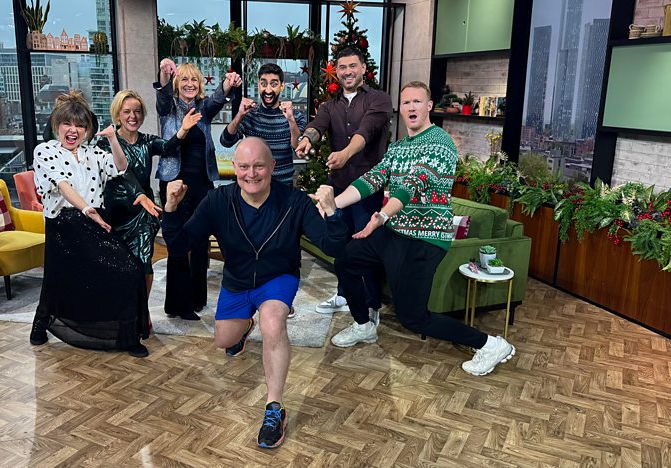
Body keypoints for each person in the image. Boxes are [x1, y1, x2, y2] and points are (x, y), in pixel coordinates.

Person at [161, 137, 349, 448]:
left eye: (259, 166)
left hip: (278, 276)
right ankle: (245, 326)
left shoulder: (295, 202)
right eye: (244, 167)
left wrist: (333, 213)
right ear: (234, 167)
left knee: (272, 322)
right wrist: (170, 209)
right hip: (237, 280)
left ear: (272, 167)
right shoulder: (217, 201)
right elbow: (180, 246)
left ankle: (274, 408)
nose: (251, 174)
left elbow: (333, 248)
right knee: (224, 340)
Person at [328, 81, 516, 376]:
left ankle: (490, 344)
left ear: (428, 106)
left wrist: (382, 216)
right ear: (400, 109)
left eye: (417, 101)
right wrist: (333, 203)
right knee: (346, 260)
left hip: (425, 239)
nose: (411, 107)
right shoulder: (398, 147)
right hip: (395, 232)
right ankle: (363, 325)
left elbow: (414, 184)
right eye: (406, 102)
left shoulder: (440, 143)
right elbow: (373, 179)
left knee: (413, 318)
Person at [30, 90, 150, 358]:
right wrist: (85, 209)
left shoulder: (93, 152)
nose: (73, 130)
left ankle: (127, 335)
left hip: (97, 221)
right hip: (64, 224)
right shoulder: (45, 150)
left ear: (87, 130)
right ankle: (41, 324)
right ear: (57, 125)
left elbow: (120, 167)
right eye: (67, 124)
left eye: (80, 125)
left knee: (130, 271)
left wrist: (113, 139)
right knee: (59, 279)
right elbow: (62, 185)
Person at [295, 47, 392, 322]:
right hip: (337, 187)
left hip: (366, 190)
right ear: (336, 71)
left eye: (352, 66)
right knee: (339, 243)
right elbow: (317, 125)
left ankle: (371, 306)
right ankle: (343, 294)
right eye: (342, 67)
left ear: (363, 68)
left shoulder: (379, 99)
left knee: (364, 245)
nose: (347, 72)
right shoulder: (329, 106)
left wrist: (346, 154)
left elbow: (366, 131)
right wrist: (307, 139)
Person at [155, 58, 242, 320]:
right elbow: (162, 97)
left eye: (194, 79)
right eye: (184, 79)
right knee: (177, 241)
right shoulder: (169, 107)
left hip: (202, 183)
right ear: (176, 83)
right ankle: (178, 304)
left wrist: (227, 84)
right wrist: (164, 73)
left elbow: (216, 100)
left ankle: (197, 298)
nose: (190, 84)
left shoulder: (203, 108)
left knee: (200, 239)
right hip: (174, 182)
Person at [101, 90, 201, 296]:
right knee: (118, 265)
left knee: (144, 261)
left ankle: (142, 309)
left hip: (143, 214)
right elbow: (122, 172)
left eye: (137, 111)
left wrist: (183, 129)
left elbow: (167, 147)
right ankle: (123, 307)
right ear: (117, 114)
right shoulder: (106, 142)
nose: (133, 116)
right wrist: (140, 195)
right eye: (127, 111)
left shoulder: (147, 141)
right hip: (115, 213)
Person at [220, 63, 307, 187]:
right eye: (264, 84)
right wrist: (239, 115)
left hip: (283, 187)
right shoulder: (250, 114)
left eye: (274, 84)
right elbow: (225, 141)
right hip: (255, 185)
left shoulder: (295, 116)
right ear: (259, 86)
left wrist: (291, 120)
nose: (268, 90)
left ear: (282, 86)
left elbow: (298, 147)